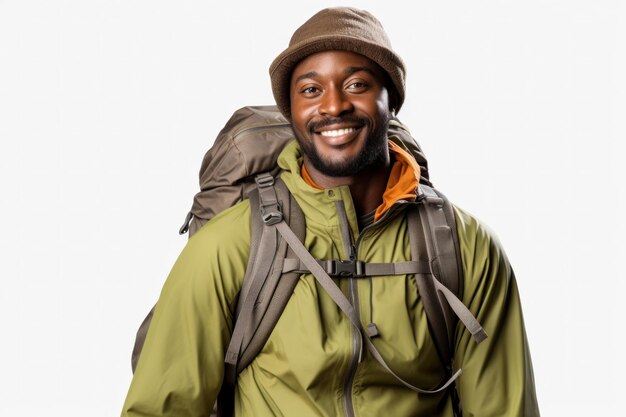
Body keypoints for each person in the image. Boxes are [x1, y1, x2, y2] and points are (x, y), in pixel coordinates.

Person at [121, 7, 539, 417]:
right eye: (310, 90)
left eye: (357, 84)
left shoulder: (465, 246)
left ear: (390, 100)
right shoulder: (229, 246)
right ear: (291, 110)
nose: (334, 106)